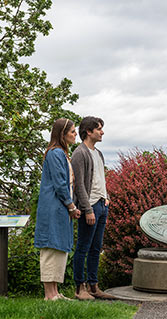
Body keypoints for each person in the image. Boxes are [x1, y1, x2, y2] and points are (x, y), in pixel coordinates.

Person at [34, 118, 81, 301]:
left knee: (59, 247)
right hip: (53, 206)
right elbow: (60, 183)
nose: (75, 134)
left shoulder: (62, 153)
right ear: (62, 134)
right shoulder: (54, 153)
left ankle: (55, 292)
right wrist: (71, 205)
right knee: (50, 247)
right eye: (72, 131)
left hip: (61, 207)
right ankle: (49, 294)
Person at [71, 116, 116, 300]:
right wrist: (87, 209)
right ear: (88, 131)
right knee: (83, 246)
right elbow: (79, 184)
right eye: (99, 129)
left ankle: (93, 286)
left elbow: (100, 179)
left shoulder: (98, 153)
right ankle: (79, 288)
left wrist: (107, 197)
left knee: (96, 248)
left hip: (102, 204)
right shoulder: (80, 153)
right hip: (89, 206)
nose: (102, 132)